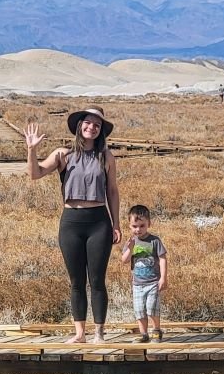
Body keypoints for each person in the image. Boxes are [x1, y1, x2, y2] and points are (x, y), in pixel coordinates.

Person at [25, 107, 121, 344]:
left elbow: (112, 191)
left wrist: (116, 223)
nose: (92, 127)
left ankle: (99, 333)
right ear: (79, 125)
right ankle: (79, 334)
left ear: (101, 131)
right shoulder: (63, 155)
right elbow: (35, 174)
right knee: (76, 281)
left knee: (97, 280)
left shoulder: (106, 157)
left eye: (97, 125)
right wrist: (32, 149)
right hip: (71, 223)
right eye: (88, 123)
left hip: (99, 222)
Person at [120, 205, 168, 343]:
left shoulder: (154, 241)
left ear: (148, 224)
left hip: (153, 282)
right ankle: (143, 334)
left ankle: (156, 331)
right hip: (137, 284)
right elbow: (124, 260)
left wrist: (163, 278)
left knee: (152, 307)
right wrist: (129, 249)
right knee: (139, 310)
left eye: (142, 226)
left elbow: (163, 258)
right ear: (129, 225)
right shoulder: (131, 242)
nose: (138, 229)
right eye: (134, 226)